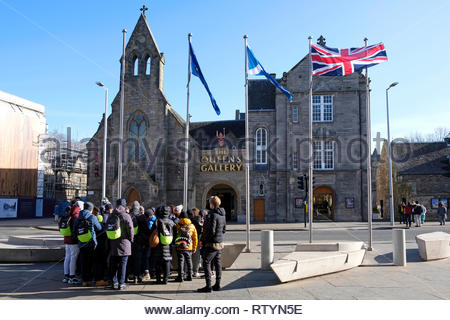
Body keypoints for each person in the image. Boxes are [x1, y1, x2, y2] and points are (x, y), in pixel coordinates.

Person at [198, 196, 226, 293]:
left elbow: (211, 231)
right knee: (217, 263)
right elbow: (224, 229)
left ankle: (208, 286)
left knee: (206, 262)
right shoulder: (222, 214)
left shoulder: (213, 215)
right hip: (220, 242)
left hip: (212, 244)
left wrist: (204, 240)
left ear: (211, 204)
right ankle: (217, 284)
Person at [73, 202, 102, 287]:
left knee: (84, 262)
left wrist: (80, 239)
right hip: (91, 244)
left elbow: (74, 232)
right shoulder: (92, 217)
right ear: (91, 209)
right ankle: (94, 279)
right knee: (94, 261)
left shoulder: (78, 218)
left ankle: (85, 281)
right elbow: (99, 228)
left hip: (81, 244)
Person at [106, 200, 134, 290]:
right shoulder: (126, 215)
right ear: (124, 205)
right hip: (124, 242)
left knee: (113, 263)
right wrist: (131, 239)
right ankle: (121, 283)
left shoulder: (112, 215)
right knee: (123, 264)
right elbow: (131, 229)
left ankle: (114, 282)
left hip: (113, 242)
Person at [151, 206, 175, 284]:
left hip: (159, 244)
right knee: (167, 261)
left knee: (158, 262)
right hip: (168, 243)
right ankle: (166, 279)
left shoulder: (158, 221)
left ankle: (158, 279)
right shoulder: (171, 222)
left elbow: (152, 231)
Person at [175, 211, 198, 282]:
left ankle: (180, 276)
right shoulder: (192, 226)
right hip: (188, 246)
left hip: (179, 245)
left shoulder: (178, 225)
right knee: (189, 260)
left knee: (181, 261)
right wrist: (194, 247)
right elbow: (195, 238)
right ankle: (190, 276)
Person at [62, 202, 80, 285]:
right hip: (73, 240)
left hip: (66, 239)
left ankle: (66, 276)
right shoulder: (75, 216)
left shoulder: (67, 214)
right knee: (73, 258)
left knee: (67, 257)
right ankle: (72, 277)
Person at [191, 208, 204, 278]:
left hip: (190, 240)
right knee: (196, 257)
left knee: (190, 256)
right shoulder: (198, 220)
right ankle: (195, 271)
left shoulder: (191, 220)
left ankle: (189, 271)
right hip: (197, 240)